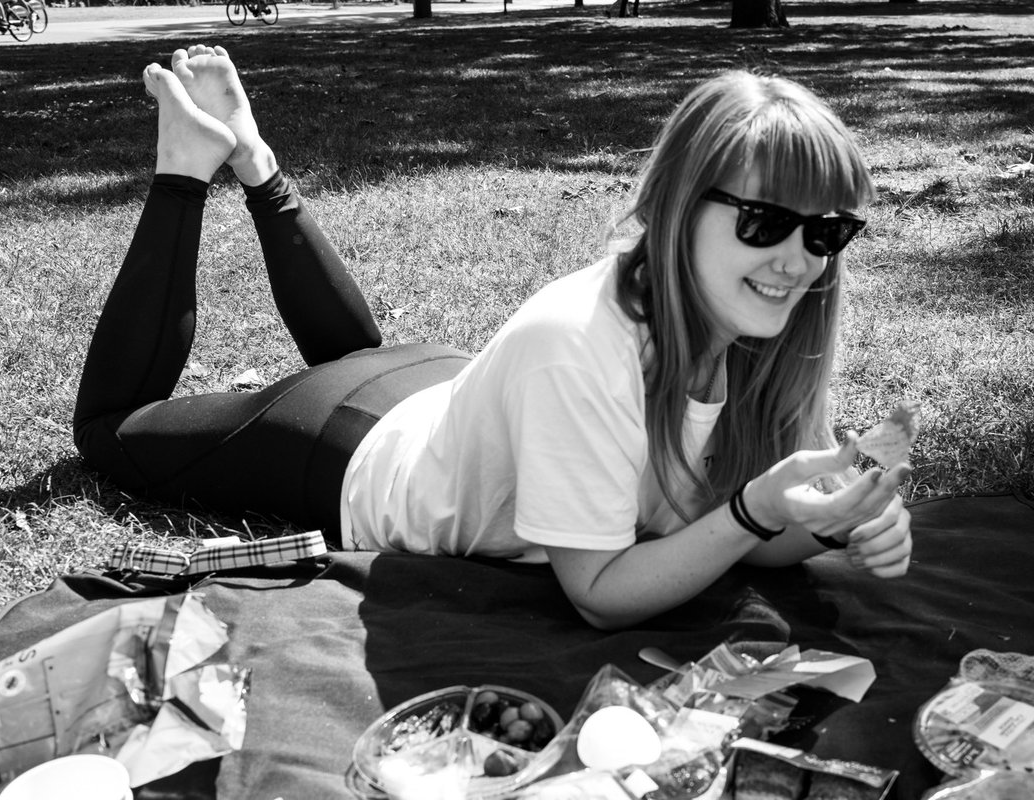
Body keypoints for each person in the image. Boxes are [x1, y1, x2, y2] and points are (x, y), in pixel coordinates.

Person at [74, 45, 913, 631]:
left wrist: (829, 520)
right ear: (676, 207)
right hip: (348, 445)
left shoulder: (765, 330)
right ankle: (187, 166)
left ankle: (257, 161)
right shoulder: (578, 345)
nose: (798, 260)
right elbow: (601, 592)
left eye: (826, 232)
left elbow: (754, 536)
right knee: (112, 433)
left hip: (443, 390)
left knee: (356, 353)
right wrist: (755, 510)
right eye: (765, 221)